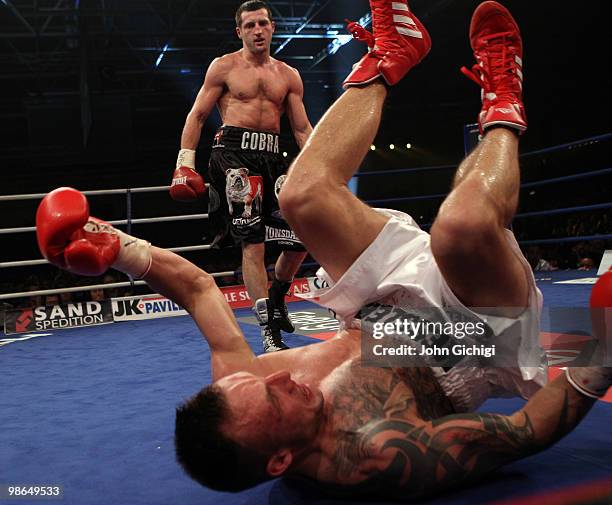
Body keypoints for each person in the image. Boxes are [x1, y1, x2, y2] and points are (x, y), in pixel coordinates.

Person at [35, 0, 612, 500]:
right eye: (279, 400)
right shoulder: (379, 454)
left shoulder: (237, 394)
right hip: (472, 339)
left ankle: (392, 54)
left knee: (300, 195)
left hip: (378, 303)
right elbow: (530, 430)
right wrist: (604, 345)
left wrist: (116, 247)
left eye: (260, 381)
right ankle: (502, 105)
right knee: (459, 226)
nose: (282, 378)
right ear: (281, 461)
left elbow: (196, 288)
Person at [169, 0, 313, 353]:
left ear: (273, 27)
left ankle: (278, 295)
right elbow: (198, 115)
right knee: (254, 243)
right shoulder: (224, 67)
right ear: (240, 32)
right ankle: (268, 331)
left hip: (273, 156)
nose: (257, 30)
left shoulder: (288, 75)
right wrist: (183, 163)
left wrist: (318, 168)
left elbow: (301, 128)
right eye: (249, 26)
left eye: (263, 23)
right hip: (233, 157)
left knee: (301, 237)